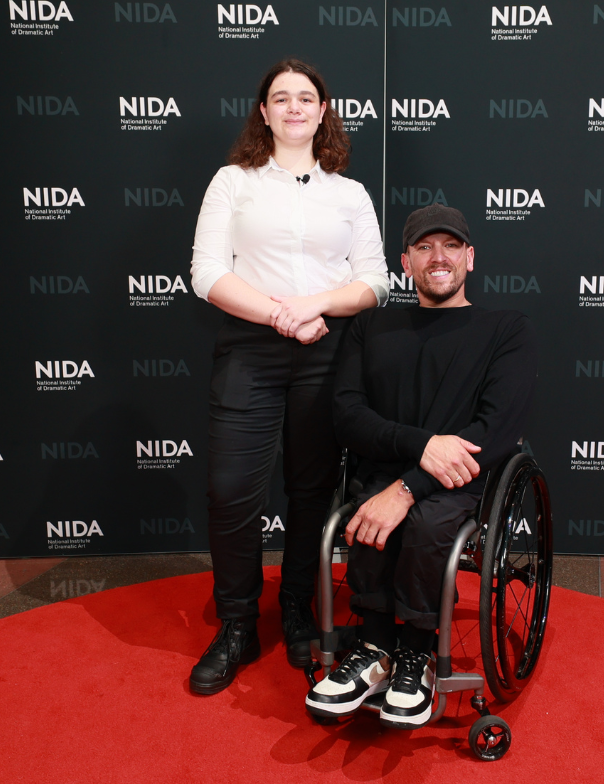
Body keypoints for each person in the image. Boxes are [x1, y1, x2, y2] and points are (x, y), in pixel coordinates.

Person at [189, 59, 389, 695]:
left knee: (310, 491)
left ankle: (299, 606)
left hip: (328, 351)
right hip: (249, 349)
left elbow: (375, 281)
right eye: (281, 98)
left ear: (323, 111)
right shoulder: (233, 182)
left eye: (306, 97)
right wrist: (281, 315)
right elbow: (207, 272)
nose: (294, 107)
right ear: (264, 112)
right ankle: (238, 625)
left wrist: (313, 306)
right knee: (231, 493)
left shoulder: (349, 194)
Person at [305, 204, 537, 729]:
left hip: (460, 485)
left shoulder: (506, 329)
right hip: (382, 471)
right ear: (405, 262)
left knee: (427, 522)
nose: (439, 257)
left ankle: (415, 653)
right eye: (424, 247)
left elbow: (497, 429)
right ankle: (374, 649)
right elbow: (347, 415)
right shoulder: (371, 325)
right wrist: (421, 445)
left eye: (451, 246)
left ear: (470, 257)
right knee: (370, 507)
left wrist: (409, 487)